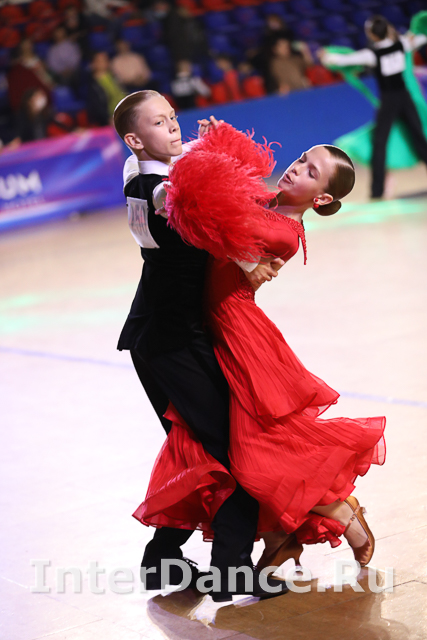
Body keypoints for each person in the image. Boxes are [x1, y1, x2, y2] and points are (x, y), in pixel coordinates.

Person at [132, 123, 386, 574]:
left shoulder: (284, 231)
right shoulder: (267, 202)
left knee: (254, 449)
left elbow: (211, 220)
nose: (296, 169)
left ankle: (341, 514)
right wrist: (212, 145)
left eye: (311, 172)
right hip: (210, 326)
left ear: (322, 199)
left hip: (237, 332)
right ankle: (279, 536)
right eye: (302, 159)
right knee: (238, 443)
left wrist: (209, 157)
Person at [112, 90, 289, 602]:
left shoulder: (136, 168)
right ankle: (231, 570)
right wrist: (253, 256)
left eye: (173, 117)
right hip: (172, 342)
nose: (173, 127)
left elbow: (180, 161)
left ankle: (163, 560)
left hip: (155, 334)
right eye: (159, 122)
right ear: (134, 138)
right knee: (236, 447)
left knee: (193, 447)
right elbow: (182, 198)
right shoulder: (159, 189)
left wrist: (204, 143)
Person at [320, 15, 427, 200]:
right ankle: (378, 189)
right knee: (419, 139)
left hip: (389, 101)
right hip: (405, 97)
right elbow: (422, 38)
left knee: (380, 143)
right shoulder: (403, 44)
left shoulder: (372, 54)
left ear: (372, 35)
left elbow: (341, 60)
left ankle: (377, 191)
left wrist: (326, 56)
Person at [87, 51, 125, 126]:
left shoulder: (113, 77)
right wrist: (108, 119)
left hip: (123, 112)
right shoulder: (93, 85)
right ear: (93, 64)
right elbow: (97, 107)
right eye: (100, 61)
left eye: (105, 60)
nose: (103, 63)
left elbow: (121, 94)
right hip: (109, 120)